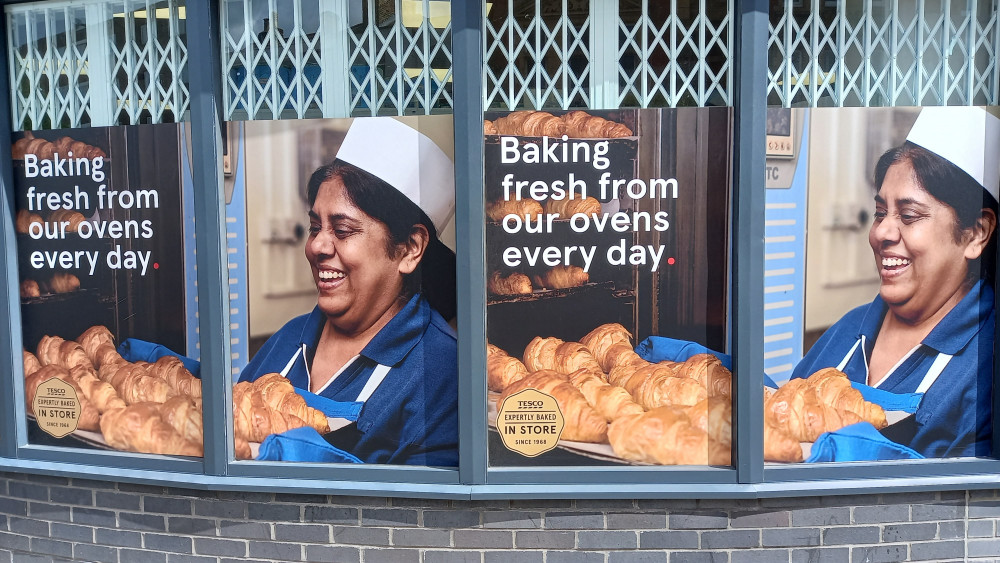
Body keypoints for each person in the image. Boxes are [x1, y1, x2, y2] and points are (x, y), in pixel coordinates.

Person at [239, 117, 459, 466]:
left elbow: (421, 515)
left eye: (342, 230)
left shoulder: (440, 371)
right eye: (315, 227)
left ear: (409, 249)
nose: (317, 247)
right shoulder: (288, 339)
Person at [791, 106, 999, 458]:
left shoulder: (984, 367)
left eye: (909, 215)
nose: (881, 232)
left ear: (976, 233)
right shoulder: (848, 330)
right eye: (881, 213)